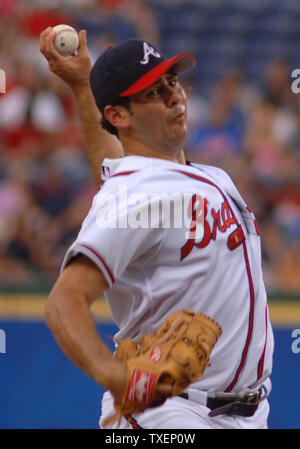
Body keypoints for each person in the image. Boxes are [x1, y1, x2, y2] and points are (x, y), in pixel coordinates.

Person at [40, 28, 274, 429]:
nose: (173, 96)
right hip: (172, 414)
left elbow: (115, 169)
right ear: (117, 115)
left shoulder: (194, 176)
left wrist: (83, 85)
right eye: (152, 92)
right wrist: (116, 379)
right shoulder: (134, 196)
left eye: (172, 81)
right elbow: (63, 302)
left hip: (245, 413)